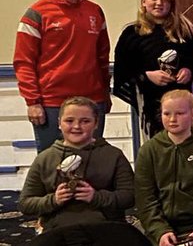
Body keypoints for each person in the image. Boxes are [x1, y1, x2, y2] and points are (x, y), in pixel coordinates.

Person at [15, 0, 111, 151]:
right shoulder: (36, 14)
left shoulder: (95, 12)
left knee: (91, 163)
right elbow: (24, 62)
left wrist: (105, 94)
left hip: (92, 101)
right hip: (51, 104)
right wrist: (32, 102)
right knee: (52, 166)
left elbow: (102, 58)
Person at [19, 97, 134, 233]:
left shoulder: (114, 156)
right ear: (59, 123)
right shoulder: (45, 158)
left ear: (96, 123)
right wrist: (53, 200)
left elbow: (130, 196)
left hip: (105, 227)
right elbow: (25, 203)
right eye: (69, 121)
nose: (76, 126)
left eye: (85, 121)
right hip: (57, 230)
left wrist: (96, 197)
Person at [114, 0, 193, 138]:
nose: (159, 3)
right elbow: (123, 69)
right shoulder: (132, 34)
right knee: (155, 146)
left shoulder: (185, 31)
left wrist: (188, 71)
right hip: (150, 101)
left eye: (165, 0)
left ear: (172, 4)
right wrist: (146, 75)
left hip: (182, 98)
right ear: (144, 1)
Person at [135, 90, 193, 246]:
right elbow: (145, 199)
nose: (172, 119)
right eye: (166, 113)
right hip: (158, 233)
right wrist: (161, 231)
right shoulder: (148, 150)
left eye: (179, 113)